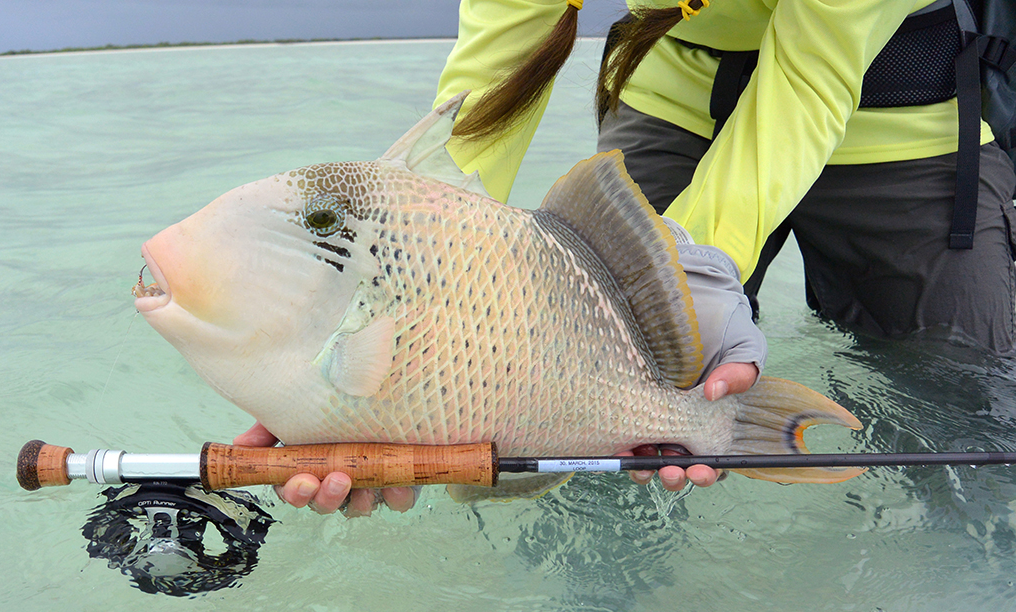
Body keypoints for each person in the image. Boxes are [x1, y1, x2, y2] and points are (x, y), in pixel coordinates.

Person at [244, 0, 1016, 514]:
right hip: (676, 92)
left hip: (906, 120)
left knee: (965, 404)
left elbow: (807, 79)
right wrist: (355, 335)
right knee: (594, 435)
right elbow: (493, 78)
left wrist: (691, 270)